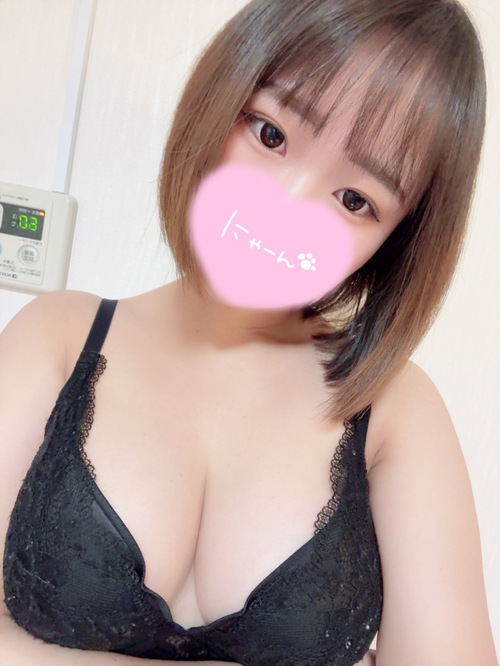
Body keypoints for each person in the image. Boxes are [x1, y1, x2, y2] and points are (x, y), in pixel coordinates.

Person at [0, 0, 497, 664]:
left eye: (355, 200)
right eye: (270, 134)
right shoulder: (59, 338)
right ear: (221, 95)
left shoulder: (396, 410)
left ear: (396, 242)